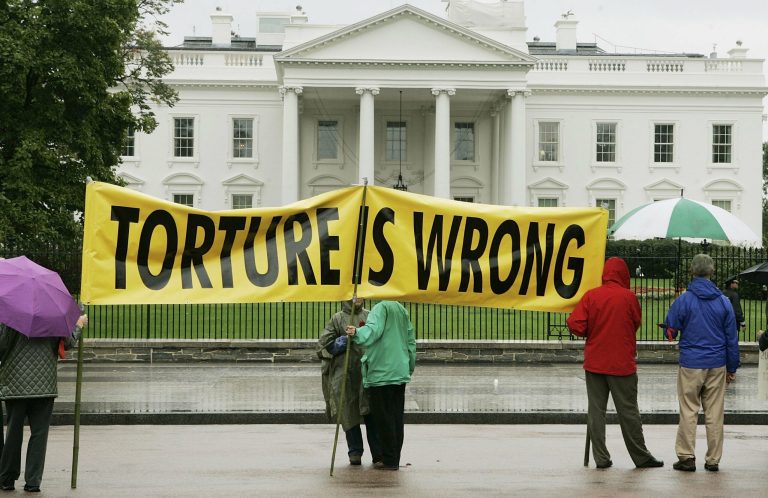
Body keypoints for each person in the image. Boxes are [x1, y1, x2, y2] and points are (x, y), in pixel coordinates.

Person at [566, 257, 664, 469]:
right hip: (621, 363)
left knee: (596, 411)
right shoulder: (629, 297)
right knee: (628, 412)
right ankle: (640, 455)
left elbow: (576, 325)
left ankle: (600, 458)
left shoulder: (591, 296)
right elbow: (635, 322)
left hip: (595, 363)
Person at [664, 253, 739, 473]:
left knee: (688, 409)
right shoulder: (724, 302)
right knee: (714, 412)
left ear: (692, 272)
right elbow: (731, 339)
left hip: (691, 362)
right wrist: (732, 367)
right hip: (717, 362)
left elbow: (671, 331)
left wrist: (671, 325)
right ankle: (713, 459)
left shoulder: (684, 300)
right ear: (712, 272)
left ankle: (686, 456)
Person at [0, 314, 86, 492]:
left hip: (15, 382)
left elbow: (2, 346)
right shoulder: (54, 314)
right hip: (44, 383)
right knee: (39, 434)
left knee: (13, 432)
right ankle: (33, 481)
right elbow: (68, 343)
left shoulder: (11, 315)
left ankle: (7, 478)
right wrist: (78, 325)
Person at [346, 300, 415, 471]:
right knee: (396, 418)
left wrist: (356, 333)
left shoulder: (379, 308)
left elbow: (372, 332)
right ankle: (394, 456)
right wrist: (409, 366)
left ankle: (389, 459)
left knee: (382, 419)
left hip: (381, 372)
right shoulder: (401, 309)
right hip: (399, 371)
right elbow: (410, 341)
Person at [317, 297, 381, 466]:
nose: (357, 299)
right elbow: (323, 344)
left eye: (360, 296)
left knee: (371, 412)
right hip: (345, 373)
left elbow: (379, 338)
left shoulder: (371, 316)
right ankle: (355, 451)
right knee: (347, 411)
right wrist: (337, 344)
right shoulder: (337, 318)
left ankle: (378, 453)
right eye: (354, 296)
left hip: (367, 371)